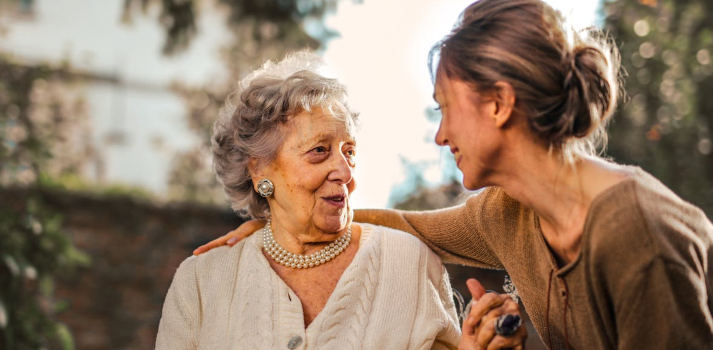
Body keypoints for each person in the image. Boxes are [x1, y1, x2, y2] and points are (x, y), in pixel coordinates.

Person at [193, 0, 713, 349]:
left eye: (445, 108)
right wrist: (281, 223)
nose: (441, 136)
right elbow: (407, 226)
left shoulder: (636, 235)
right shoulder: (508, 213)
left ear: (500, 104)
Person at [155, 52, 495, 349]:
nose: (345, 172)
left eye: (349, 152)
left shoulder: (411, 263)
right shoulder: (200, 282)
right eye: (319, 151)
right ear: (259, 171)